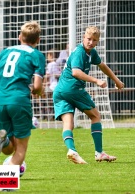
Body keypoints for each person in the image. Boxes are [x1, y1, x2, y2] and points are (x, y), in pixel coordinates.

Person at [53, 26, 124, 164]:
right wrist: (96, 80)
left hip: (60, 91)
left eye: (94, 40)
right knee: (95, 116)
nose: (90, 42)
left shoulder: (91, 52)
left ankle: (72, 150)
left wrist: (117, 80)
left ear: (97, 42)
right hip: (72, 89)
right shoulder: (80, 52)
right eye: (88, 39)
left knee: (68, 123)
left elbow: (102, 65)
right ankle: (99, 153)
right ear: (83, 38)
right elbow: (76, 72)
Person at [0, 21, 45, 170]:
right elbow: (37, 86)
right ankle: (6, 183)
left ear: (19, 37)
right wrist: (38, 91)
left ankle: (1, 139)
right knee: (21, 149)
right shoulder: (37, 55)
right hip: (18, 100)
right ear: (38, 40)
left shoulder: (6, 51)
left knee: (8, 149)